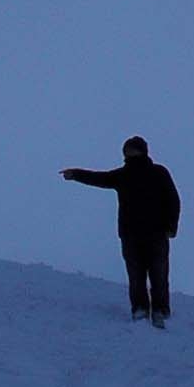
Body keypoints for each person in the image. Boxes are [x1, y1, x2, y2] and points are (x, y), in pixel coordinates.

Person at [60, 135, 181, 327]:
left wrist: (171, 227)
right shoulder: (125, 174)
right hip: (133, 235)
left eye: (131, 149)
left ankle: (158, 310)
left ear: (141, 151)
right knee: (138, 275)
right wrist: (76, 174)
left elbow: (173, 200)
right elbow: (98, 178)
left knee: (156, 274)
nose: (129, 153)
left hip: (152, 233)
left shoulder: (157, 173)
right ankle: (143, 310)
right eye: (127, 150)